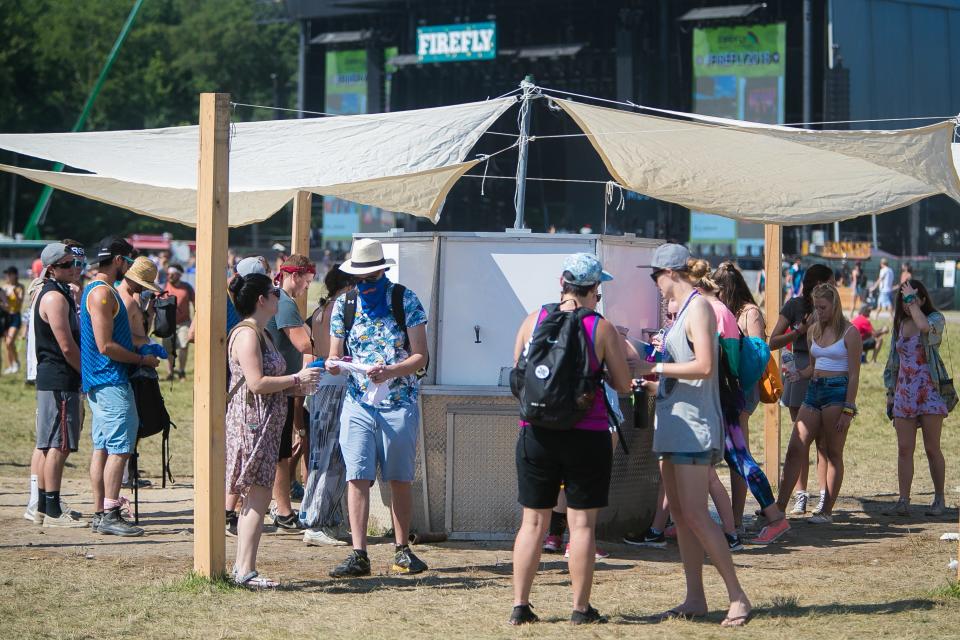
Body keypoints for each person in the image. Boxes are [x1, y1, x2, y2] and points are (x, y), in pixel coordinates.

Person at [509, 253, 631, 625]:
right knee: (581, 527)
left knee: (532, 523)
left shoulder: (535, 320)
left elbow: (518, 374)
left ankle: (520, 606)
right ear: (593, 289)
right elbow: (624, 385)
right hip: (587, 435)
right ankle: (580, 609)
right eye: (598, 290)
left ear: (562, 285)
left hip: (536, 434)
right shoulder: (601, 327)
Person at [634, 244, 751, 627]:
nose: (653, 283)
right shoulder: (683, 311)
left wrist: (655, 368)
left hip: (694, 427)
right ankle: (695, 597)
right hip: (675, 424)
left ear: (671, 273)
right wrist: (653, 384)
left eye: (655, 275)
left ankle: (737, 597)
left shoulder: (698, 307)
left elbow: (702, 366)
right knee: (682, 516)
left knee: (697, 516)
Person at [326, 238, 429, 578]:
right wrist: (334, 364)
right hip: (357, 402)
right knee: (357, 476)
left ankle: (402, 549)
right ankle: (359, 553)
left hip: (398, 402)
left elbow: (420, 357)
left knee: (399, 478)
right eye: (359, 279)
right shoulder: (344, 305)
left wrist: (390, 371)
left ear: (383, 271)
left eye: (371, 278)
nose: (365, 285)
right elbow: (336, 353)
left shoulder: (404, 299)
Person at [226, 273, 321, 588]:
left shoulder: (261, 332)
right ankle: (245, 570)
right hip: (254, 424)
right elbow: (256, 383)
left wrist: (298, 384)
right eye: (273, 292)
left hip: (266, 422)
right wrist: (297, 380)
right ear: (261, 300)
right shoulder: (248, 335)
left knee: (257, 495)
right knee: (257, 496)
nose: (279, 296)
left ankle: (244, 568)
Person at [81, 237, 159, 536]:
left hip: (100, 380)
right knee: (120, 448)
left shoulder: (97, 290)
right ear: (117, 260)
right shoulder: (103, 294)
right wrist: (142, 359)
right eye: (127, 261)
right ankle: (111, 512)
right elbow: (106, 345)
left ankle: (101, 511)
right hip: (110, 378)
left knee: (102, 448)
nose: (128, 267)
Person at [712, 261, 790, 543]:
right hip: (731, 390)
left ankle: (740, 518)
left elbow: (758, 354)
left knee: (739, 457)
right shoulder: (728, 312)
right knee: (736, 457)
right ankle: (736, 520)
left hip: (741, 391)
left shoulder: (749, 312)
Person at [774, 283, 861, 524]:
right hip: (814, 390)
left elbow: (854, 374)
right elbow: (814, 366)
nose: (819, 311)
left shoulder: (850, 333)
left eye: (823, 307)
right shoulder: (813, 330)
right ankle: (779, 507)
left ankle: (826, 510)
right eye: (816, 307)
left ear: (835, 305)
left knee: (832, 452)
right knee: (795, 447)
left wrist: (848, 407)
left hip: (837, 392)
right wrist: (798, 374)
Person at [26, 243, 87, 528]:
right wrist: (86, 374)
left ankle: (42, 507)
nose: (74, 268)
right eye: (66, 265)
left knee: (50, 443)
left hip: (54, 378)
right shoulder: (54, 298)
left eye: (76, 263)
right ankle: (51, 511)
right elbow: (66, 346)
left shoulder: (59, 293)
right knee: (58, 445)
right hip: (60, 378)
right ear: (51, 269)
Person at [768, 264, 835, 515]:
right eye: (830, 282)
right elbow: (773, 341)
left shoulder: (833, 309)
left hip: (825, 372)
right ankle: (801, 494)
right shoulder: (794, 306)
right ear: (817, 284)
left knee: (824, 442)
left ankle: (823, 496)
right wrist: (800, 331)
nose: (834, 287)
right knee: (800, 438)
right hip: (799, 370)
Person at [883, 280, 949, 517]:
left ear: (921, 300)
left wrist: (912, 303)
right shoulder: (900, 323)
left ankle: (939, 499)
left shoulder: (935, 319)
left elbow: (923, 326)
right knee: (904, 449)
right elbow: (892, 361)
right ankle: (903, 501)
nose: (906, 303)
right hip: (904, 392)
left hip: (929, 390)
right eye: (903, 299)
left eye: (910, 298)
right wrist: (890, 394)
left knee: (932, 448)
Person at [301, 265, 354, 546]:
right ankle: (318, 521)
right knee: (332, 455)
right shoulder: (341, 309)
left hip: (321, 384)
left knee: (322, 454)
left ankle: (322, 517)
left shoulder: (321, 310)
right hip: (335, 384)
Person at [265, 254, 316, 530]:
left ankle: (279, 507)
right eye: (306, 282)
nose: (306, 287)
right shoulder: (285, 303)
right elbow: (304, 343)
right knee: (281, 452)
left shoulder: (281, 300)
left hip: (282, 384)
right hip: (280, 387)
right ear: (294, 276)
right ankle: (282, 509)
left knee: (281, 450)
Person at [162, 264, 194, 380]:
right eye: (168, 274)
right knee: (169, 349)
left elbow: (196, 303)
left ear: (179, 275)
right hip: (167, 324)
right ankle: (170, 373)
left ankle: (181, 371)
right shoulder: (163, 286)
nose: (169, 276)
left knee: (184, 346)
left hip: (184, 322)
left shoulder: (187, 287)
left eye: (172, 274)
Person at [2, 265, 25, 374]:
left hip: (15, 316)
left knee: (10, 341)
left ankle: (16, 363)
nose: (7, 276)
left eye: (9, 274)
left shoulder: (19, 287)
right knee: (7, 343)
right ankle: (11, 365)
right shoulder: (4, 287)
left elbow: (20, 302)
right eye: (6, 274)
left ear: (15, 275)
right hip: (5, 317)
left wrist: (14, 292)